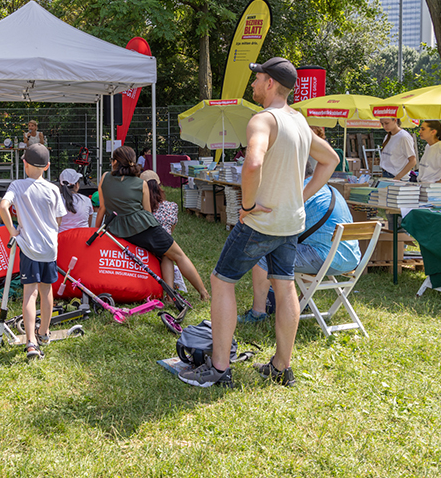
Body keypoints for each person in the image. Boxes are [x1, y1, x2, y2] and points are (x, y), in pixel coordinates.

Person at [177, 57, 338, 389]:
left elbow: (252, 163)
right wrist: (301, 195)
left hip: (261, 223)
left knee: (221, 281)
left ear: (270, 84)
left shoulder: (263, 120)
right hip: (291, 222)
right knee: (285, 284)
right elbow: (331, 159)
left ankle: (219, 369)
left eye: (257, 79)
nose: (252, 85)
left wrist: (247, 205)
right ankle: (282, 367)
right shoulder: (299, 121)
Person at [239, 159, 362, 322]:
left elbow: (278, 227)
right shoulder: (329, 189)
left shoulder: (302, 193)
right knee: (302, 246)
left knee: (262, 255)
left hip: (327, 258)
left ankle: (258, 313)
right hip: (351, 258)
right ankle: (304, 302)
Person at [96, 146, 209, 300]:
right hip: (142, 229)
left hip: (114, 229)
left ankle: (170, 295)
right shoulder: (140, 183)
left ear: (114, 162)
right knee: (178, 255)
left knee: (166, 254)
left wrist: (95, 231)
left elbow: (102, 208)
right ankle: (203, 293)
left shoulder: (104, 178)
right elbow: (147, 213)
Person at [0, 144, 65, 360]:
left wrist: (13, 231)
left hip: (28, 247)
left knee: (30, 293)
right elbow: (58, 219)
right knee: (47, 290)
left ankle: (31, 342)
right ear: (47, 166)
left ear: (24, 163)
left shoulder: (17, 185)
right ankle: (44, 333)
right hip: (49, 248)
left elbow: (2, 206)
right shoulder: (54, 189)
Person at [141, 169, 186, 293]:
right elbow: (171, 230)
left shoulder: (140, 208)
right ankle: (170, 292)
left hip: (145, 245)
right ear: (160, 186)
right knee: (168, 254)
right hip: (164, 246)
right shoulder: (172, 206)